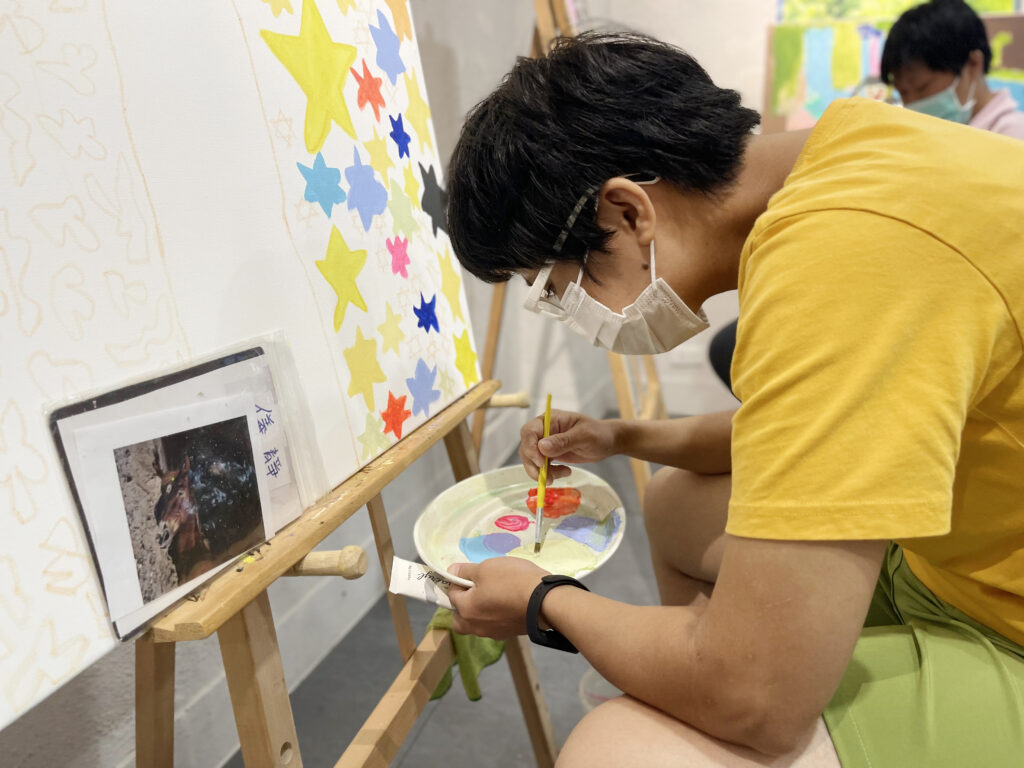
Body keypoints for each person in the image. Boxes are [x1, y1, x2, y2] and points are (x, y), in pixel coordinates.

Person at [442, 32, 1024, 768]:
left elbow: (757, 700)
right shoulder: (852, 154)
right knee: (675, 505)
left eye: (561, 290)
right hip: (962, 548)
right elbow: (807, 438)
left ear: (628, 214)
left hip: (1001, 616)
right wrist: (623, 436)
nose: (577, 316)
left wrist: (542, 600)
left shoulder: (842, 264)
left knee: (617, 752)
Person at [882, 0, 1024, 138]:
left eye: (922, 88)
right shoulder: (939, 134)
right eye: (903, 93)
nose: (913, 104)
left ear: (973, 64)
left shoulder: (1014, 137)